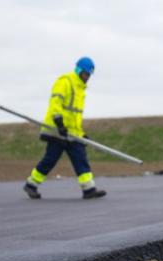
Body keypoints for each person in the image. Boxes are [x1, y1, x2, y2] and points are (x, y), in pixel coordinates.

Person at [24, 57, 105, 200]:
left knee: (80, 158)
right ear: (79, 71)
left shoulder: (80, 90)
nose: (87, 78)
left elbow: (74, 117)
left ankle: (89, 189)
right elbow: (55, 103)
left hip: (72, 133)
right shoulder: (64, 81)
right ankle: (31, 184)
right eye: (85, 74)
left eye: (89, 75)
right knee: (50, 159)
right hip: (56, 130)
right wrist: (59, 123)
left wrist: (81, 134)